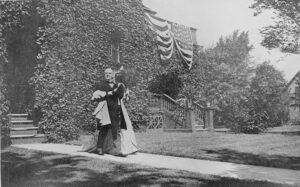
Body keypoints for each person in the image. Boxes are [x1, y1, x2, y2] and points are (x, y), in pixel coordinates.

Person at [92, 68, 139, 156]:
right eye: (106, 73)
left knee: (116, 129)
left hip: (115, 110)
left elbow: (120, 96)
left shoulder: (118, 85)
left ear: (113, 75)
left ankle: (117, 150)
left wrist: (124, 92)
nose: (107, 75)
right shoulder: (100, 85)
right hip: (105, 110)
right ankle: (99, 148)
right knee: (103, 129)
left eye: (109, 73)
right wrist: (108, 93)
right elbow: (97, 95)